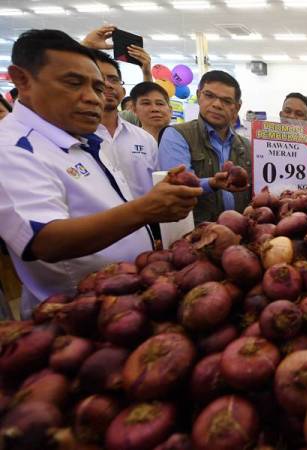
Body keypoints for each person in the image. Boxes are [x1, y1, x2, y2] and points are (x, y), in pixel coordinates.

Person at [0, 29, 200, 317]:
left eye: (98, 87)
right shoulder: (13, 147)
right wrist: (145, 211)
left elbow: (108, 207)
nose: (94, 98)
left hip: (130, 296)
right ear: (22, 80)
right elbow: (44, 239)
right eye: (73, 83)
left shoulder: (84, 139)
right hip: (75, 314)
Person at [158, 70, 250, 223]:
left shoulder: (246, 146)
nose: (216, 104)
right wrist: (212, 183)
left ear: (237, 107)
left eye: (226, 101)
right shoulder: (177, 135)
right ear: (199, 95)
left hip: (240, 235)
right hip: (196, 238)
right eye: (209, 95)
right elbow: (177, 186)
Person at [88, 49, 159, 199]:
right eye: (101, 78)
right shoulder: (76, 138)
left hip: (146, 221)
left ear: (123, 90)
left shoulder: (144, 139)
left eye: (114, 80)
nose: (108, 85)